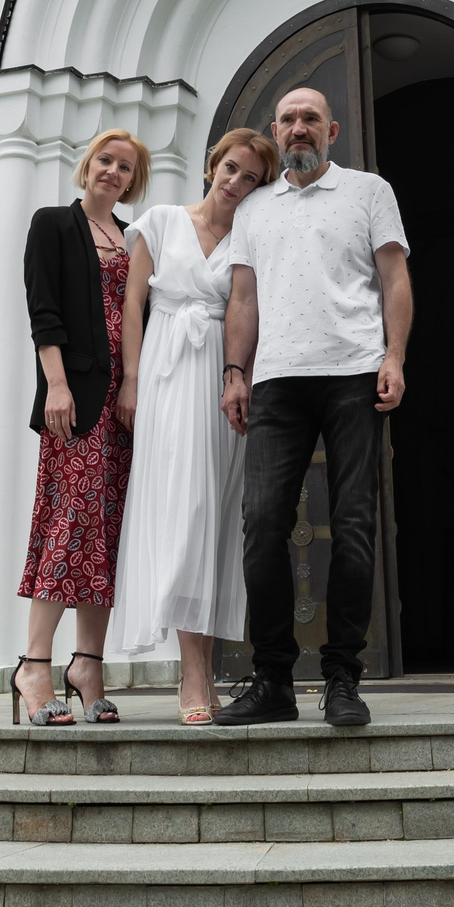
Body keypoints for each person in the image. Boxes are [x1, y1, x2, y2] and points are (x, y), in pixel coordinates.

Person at [214, 87, 412, 728]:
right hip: (275, 379)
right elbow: (242, 298)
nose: (299, 128)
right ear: (277, 130)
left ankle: (342, 679)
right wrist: (236, 371)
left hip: (353, 371)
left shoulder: (368, 191)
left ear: (331, 129)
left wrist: (394, 358)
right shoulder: (255, 208)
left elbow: (395, 280)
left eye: (310, 120)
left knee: (354, 523)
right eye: (289, 120)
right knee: (262, 524)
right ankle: (272, 678)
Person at [107, 128, 281, 724]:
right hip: (163, 372)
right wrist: (130, 380)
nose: (235, 183)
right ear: (213, 165)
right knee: (180, 511)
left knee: (212, 515)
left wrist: (244, 378)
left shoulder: (251, 236)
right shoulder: (158, 221)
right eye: (231, 169)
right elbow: (133, 304)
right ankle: (194, 670)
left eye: (251, 177)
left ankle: (203, 659)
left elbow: (250, 310)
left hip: (222, 381)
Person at [13, 128, 147, 726]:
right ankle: (33, 665)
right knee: (67, 526)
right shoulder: (52, 224)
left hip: (125, 405)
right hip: (77, 400)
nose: (113, 172)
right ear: (86, 164)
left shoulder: (133, 238)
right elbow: (43, 310)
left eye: (125, 167)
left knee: (109, 534)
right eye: (105, 160)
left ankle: (88, 664)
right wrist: (57, 385)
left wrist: (137, 385)